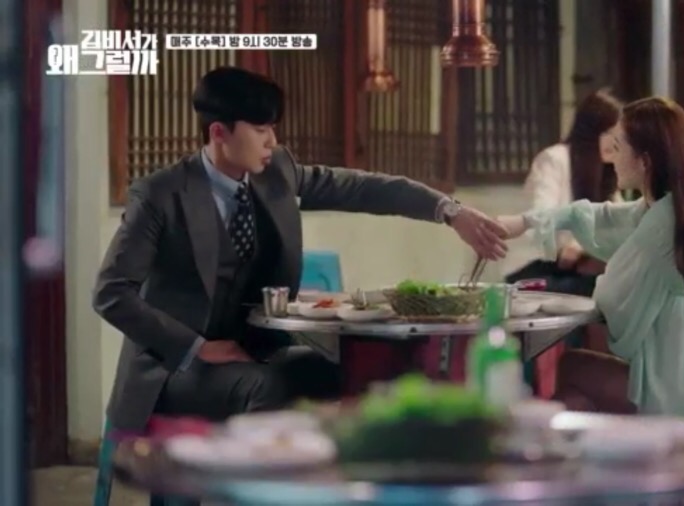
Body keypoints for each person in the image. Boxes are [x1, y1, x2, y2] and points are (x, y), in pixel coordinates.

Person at [93, 66, 508, 435]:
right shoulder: (161, 195)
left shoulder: (276, 171)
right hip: (176, 368)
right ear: (219, 133)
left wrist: (449, 211)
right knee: (269, 389)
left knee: (358, 375)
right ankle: (251, 487)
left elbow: (361, 188)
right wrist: (198, 346)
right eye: (261, 129)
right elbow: (112, 293)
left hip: (258, 349)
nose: (272, 140)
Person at [498, 97, 684, 436]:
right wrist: (522, 222)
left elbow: (613, 299)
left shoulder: (664, 221)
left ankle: (565, 460)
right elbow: (600, 216)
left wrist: (603, 279)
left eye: (618, 147)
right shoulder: (682, 208)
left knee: (574, 369)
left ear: (644, 161)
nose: (611, 157)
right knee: (576, 379)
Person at [503, 90, 622, 294]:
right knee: (606, 290)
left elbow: (618, 223)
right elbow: (542, 219)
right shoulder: (554, 159)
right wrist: (581, 245)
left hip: (576, 268)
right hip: (535, 268)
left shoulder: (608, 171)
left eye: (621, 136)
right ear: (591, 132)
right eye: (610, 133)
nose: (615, 142)